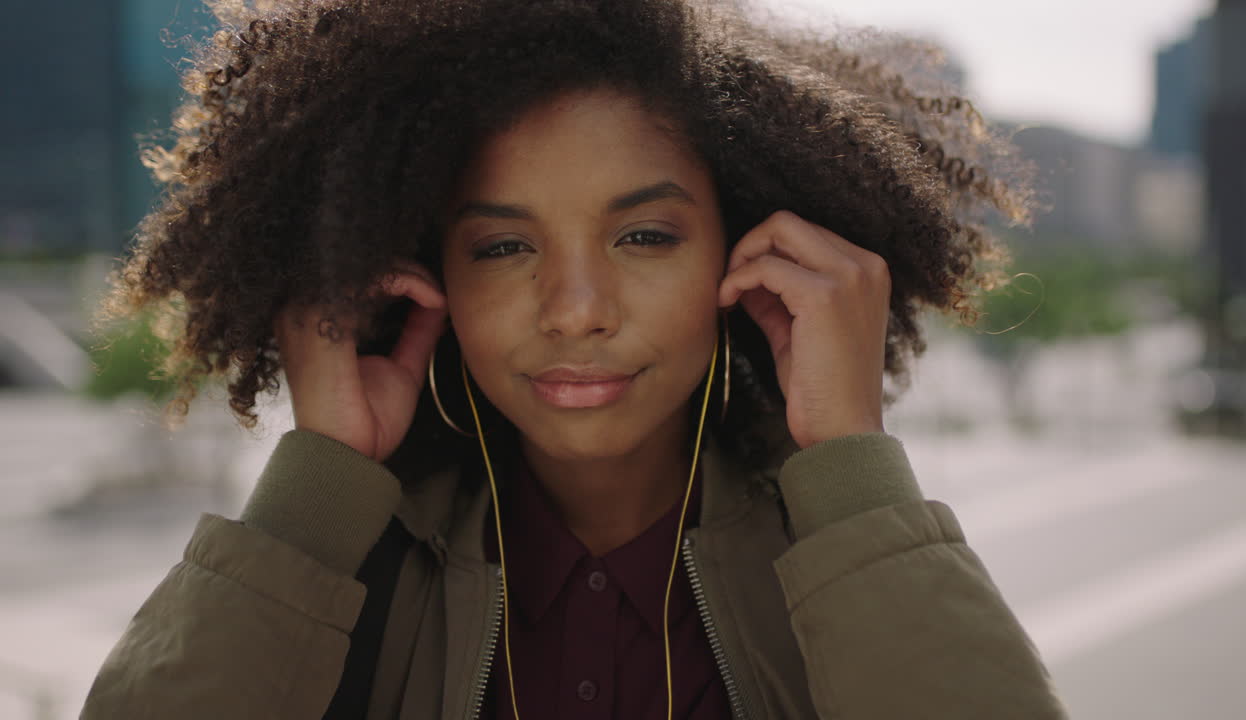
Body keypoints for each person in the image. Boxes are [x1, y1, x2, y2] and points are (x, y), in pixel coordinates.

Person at [81, 0, 1068, 718]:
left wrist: (851, 463)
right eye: (503, 248)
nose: (576, 312)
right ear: (424, 277)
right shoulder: (347, 582)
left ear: (750, 249)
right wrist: (316, 487)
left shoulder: (833, 564)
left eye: (643, 237)